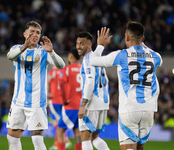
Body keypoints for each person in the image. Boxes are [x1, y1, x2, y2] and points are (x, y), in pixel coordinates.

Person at [90, 22, 162, 150]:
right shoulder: (155, 56)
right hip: (148, 110)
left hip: (129, 108)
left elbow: (93, 60)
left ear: (127, 37)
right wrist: (141, 43)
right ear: (143, 39)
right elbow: (158, 58)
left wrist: (100, 45)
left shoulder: (121, 55)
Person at [6, 21, 65, 150]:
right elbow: (10, 56)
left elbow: (61, 65)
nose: (35, 34)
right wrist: (24, 47)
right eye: (32, 31)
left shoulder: (43, 52)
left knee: (37, 140)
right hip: (18, 101)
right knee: (12, 137)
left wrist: (52, 52)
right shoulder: (16, 49)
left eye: (38, 32)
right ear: (25, 33)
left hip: (37, 102)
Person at [76, 31, 110, 150]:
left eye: (82, 44)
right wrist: (101, 45)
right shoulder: (96, 57)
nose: (79, 47)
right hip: (103, 102)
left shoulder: (87, 59)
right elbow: (97, 52)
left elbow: (90, 82)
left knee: (85, 137)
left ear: (89, 45)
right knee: (94, 137)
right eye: (77, 43)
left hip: (92, 103)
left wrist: (83, 105)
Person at [56, 48, 82, 150]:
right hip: (81, 105)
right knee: (77, 131)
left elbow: (61, 83)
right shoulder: (83, 68)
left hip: (70, 105)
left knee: (60, 130)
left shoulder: (67, 69)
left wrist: (64, 99)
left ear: (71, 56)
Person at [47, 66, 71, 150]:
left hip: (54, 100)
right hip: (63, 101)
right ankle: (56, 143)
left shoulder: (52, 72)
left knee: (56, 123)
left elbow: (46, 81)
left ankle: (66, 141)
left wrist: (47, 93)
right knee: (59, 122)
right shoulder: (63, 72)